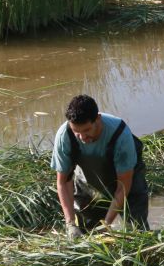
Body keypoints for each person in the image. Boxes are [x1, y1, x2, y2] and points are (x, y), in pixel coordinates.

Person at [51, 94, 150, 239]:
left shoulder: (120, 135)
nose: (82, 138)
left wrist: (107, 224)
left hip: (127, 183)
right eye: (76, 132)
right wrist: (70, 223)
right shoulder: (64, 136)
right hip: (88, 182)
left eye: (86, 131)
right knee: (85, 233)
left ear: (98, 119)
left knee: (136, 233)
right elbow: (63, 182)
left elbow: (123, 186)